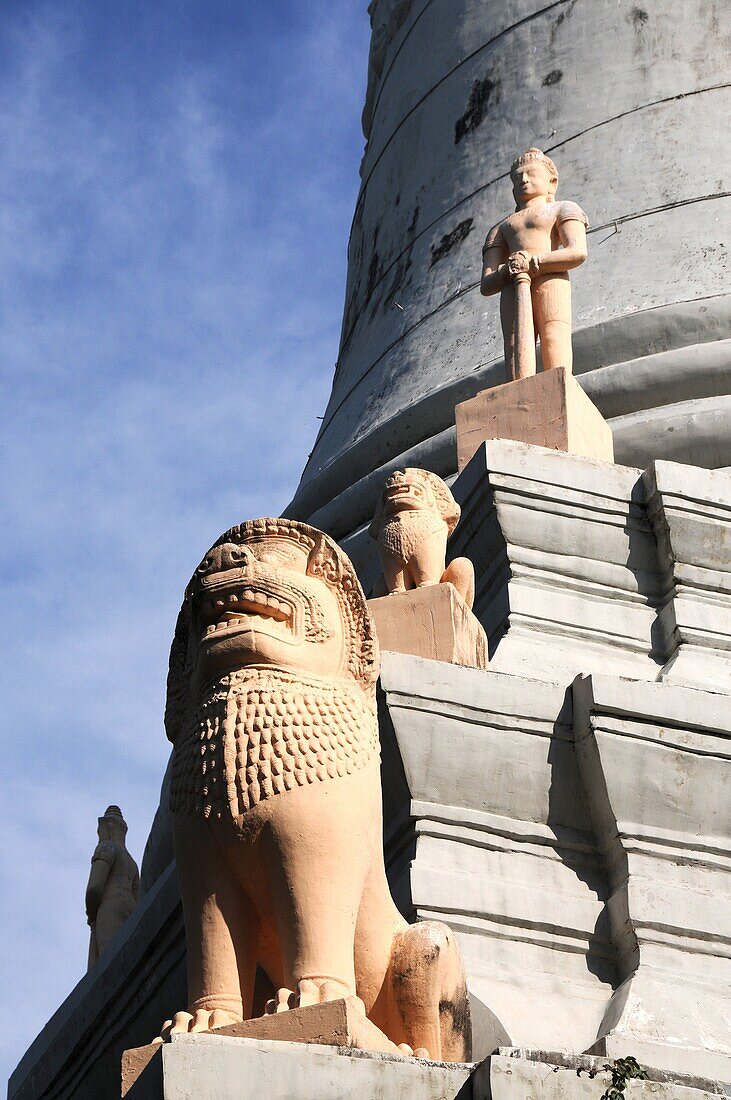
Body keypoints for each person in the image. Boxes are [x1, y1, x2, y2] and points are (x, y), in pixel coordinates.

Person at [481, 148, 588, 378]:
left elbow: (577, 251)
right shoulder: (500, 229)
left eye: (531, 173)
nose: (524, 179)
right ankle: (518, 390)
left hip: (551, 279)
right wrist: (507, 272)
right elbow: (487, 284)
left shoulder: (563, 209)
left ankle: (559, 383)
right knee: (514, 344)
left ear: (552, 182)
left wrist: (534, 262)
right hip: (513, 285)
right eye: (518, 177)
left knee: (553, 334)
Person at [86, 805, 139, 969]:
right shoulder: (132, 863)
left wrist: (91, 913)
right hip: (130, 911)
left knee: (108, 964)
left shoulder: (106, 848)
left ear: (108, 826)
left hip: (109, 910)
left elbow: (94, 888)